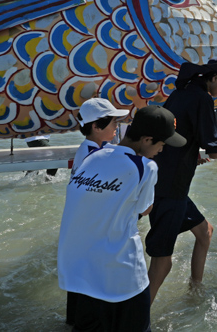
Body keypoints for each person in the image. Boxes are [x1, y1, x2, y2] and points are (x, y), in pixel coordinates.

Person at [57, 106, 185, 332]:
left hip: (80, 273)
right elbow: (146, 209)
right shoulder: (145, 166)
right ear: (147, 139)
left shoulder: (92, 155)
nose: (162, 150)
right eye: (161, 144)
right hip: (122, 277)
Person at [146, 59, 217, 304]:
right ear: (214, 78)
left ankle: (196, 289)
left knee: (205, 232)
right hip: (171, 188)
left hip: (164, 180)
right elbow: (214, 149)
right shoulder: (203, 98)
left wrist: (192, 156)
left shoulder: (180, 92)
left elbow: (175, 136)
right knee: (162, 262)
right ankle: (138, 319)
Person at [63, 97, 129, 326]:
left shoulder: (90, 149)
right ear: (96, 126)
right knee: (90, 288)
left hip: (81, 229)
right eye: (112, 123)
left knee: (81, 286)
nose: (116, 127)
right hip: (90, 231)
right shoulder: (94, 156)